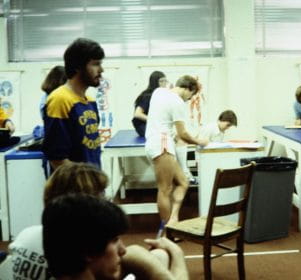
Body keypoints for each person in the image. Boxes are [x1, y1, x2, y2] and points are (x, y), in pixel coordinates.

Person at [0, 162, 188, 280]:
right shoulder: (79, 247)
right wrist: (176, 255)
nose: (105, 201)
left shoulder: (29, 235)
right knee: (159, 257)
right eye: (100, 195)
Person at [145, 75, 208, 235]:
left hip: (155, 142)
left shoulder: (159, 92)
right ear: (188, 89)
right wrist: (200, 141)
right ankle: (167, 232)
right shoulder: (178, 102)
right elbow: (183, 135)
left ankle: (173, 220)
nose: (190, 99)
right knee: (165, 189)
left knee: (183, 182)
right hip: (162, 144)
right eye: (191, 95)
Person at [42, 38, 104, 169]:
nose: (101, 69)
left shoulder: (90, 100)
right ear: (78, 67)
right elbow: (57, 159)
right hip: (72, 187)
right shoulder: (60, 100)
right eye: (95, 64)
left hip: (92, 184)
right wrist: (87, 179)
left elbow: (90, 149)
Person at [132, 71, 168, 137]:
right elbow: (137, 114)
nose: (164, 83)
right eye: (161, 81)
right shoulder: (148, 96)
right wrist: (154, 121)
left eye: (165, 81)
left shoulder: (161, 95)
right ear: (154, 82)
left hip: (151, 124)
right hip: (142, 125)